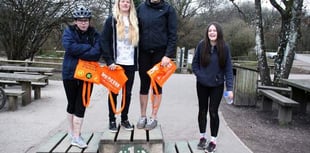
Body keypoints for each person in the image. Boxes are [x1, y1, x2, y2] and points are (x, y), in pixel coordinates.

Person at [62, 5, 102, 148]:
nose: (83, 23)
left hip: (87, 74)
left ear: (89, 21)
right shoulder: (68, 32)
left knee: (81, 104)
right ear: (75, 21)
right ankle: (71, 132)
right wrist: (88, 49)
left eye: (85, 20)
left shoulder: (95, 35)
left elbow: (97, 53)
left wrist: (79, 49)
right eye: (80, 20)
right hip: (70, 73)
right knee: (71, 104)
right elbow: (69, 47)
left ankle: (77, 137)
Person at [192, 22, 234, 153]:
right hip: (202, 84)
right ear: (207, 32)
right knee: (202, 110)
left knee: (213, 111)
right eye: (210, 30)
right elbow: (195, 64)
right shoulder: (201, 45)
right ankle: (202, 137)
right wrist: (200, 76)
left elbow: (228, 69)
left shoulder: (224, 48)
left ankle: (213, 141)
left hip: (217, 85)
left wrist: (230, 88)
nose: (212, 33)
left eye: (214, 30)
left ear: (218, 32)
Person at [136, 0, 177, 130]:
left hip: (160, 54)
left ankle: (153, 116)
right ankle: (143, 116)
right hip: (144, 52)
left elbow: (173, 34)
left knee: (157, 85)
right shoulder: (141, 8)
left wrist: (168, 55)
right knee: (144, 84)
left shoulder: (168, 9)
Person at [100, 0, 139, 132]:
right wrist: (109, 61)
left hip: (130, 63)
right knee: (114, 92)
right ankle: (112, 120)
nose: (125, 4)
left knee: (127, 93)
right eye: (123, 1)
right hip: (116, 64)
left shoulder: (135, 20)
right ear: (118, 3)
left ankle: (124, 119)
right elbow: (104, 41)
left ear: (130, 4)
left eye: (128, 2)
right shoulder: (111, 20)